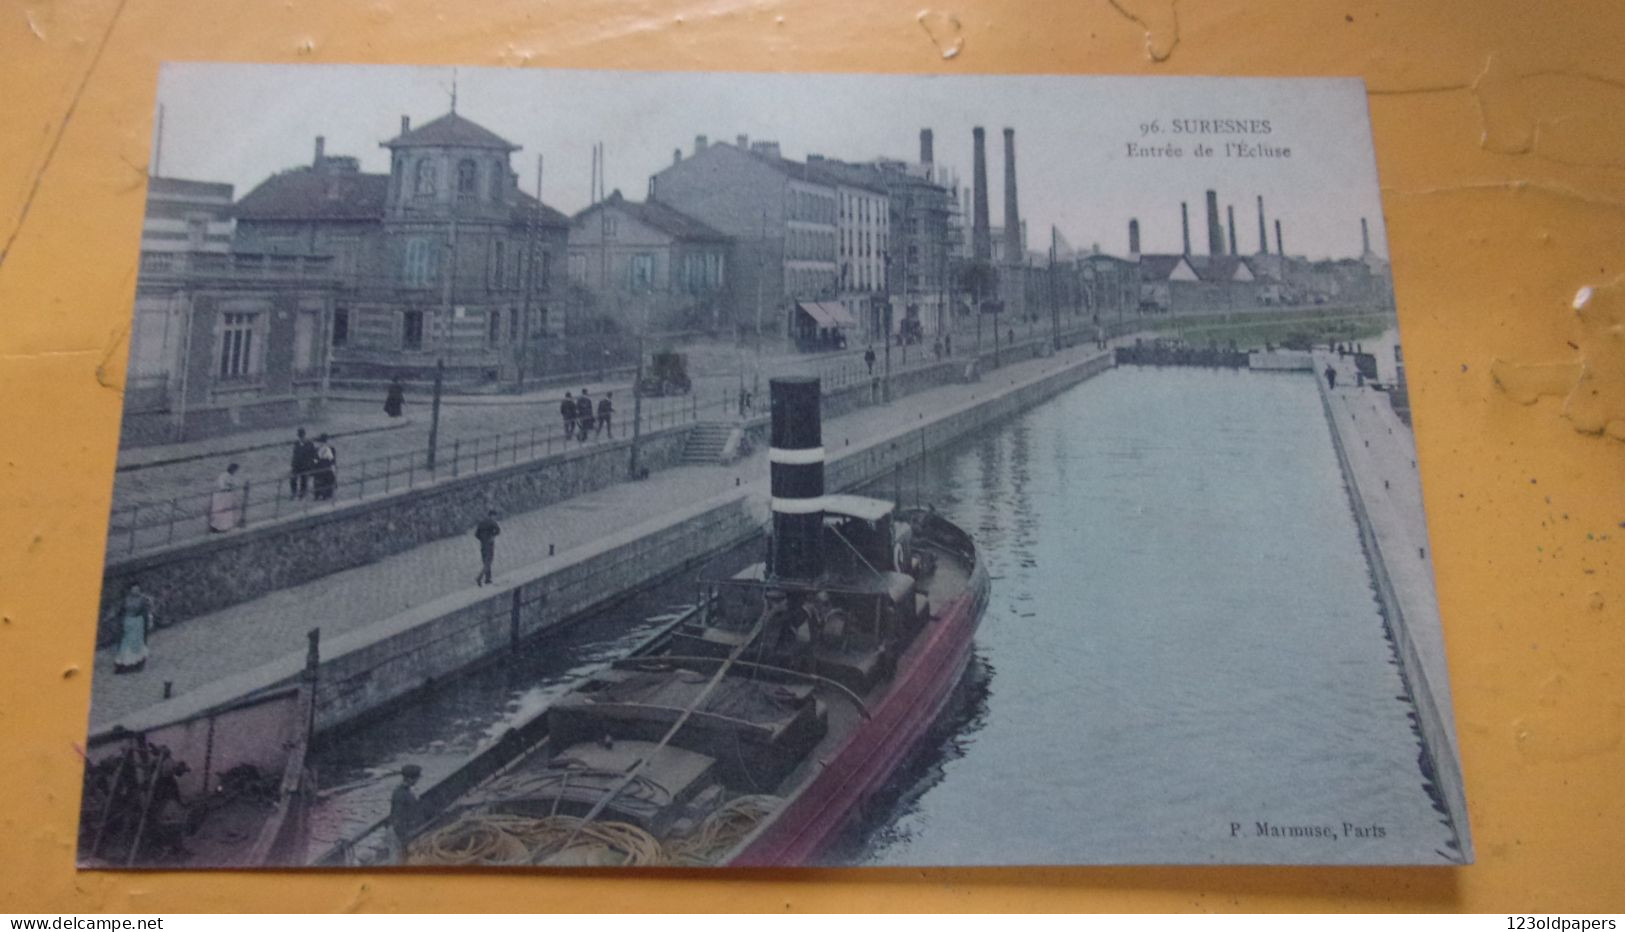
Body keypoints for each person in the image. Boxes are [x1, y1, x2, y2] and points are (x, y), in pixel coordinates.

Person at [108, 583, 157, 674]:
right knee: (125, 644)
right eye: (134, 589)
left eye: (137, 589)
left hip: (138, 623)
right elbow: (119, 610)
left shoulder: (143, 599)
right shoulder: (126, 599)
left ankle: (137, 663)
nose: (136, 591)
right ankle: (123, 664)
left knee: (136, 644)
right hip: (128, 622)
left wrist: (148, 618)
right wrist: (113, 616)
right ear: (130, 590)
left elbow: (150, 609)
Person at [388, 764, 424, 864]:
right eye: (416, 778)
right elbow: (397, 817)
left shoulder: (405, 791)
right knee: (396, 860)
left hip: (403, 829)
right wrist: (403, 836)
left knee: (403, 857)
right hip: (398, 832)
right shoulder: (400, 794)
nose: (417, 781)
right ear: (409, 778)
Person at [208, 463, 243, 532]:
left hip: (228, 497)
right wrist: (230, 487)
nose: (235, 471)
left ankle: (225, 527)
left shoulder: (231, 476)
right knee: (221, 512)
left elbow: (235, 486)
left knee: (227, 512)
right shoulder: (223, 476)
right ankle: (216, 528)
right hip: (222, 496)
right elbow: (222, 486)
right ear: (231, 469)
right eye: (235, 470)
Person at [473, 510, 501, 586]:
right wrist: (492, 536)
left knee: (485, 561)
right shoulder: (492, 522)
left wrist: (482, 539)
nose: (495, 518)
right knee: (489, 562)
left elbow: (476, 534)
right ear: (492, 515)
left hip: (483, 545)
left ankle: (488, 579)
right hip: (489, 544)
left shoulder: (481, 523)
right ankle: (479, 577)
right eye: (495, 516)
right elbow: (498, 531)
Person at [289, 428, 317, 500]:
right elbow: (294, 455)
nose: (301, 437)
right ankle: (294, 493)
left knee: (303, 480)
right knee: (293, 479)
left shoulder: (309, 444)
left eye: (301, 436)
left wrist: (311, 465)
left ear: (304, 435)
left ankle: (302, 494)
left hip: (305, 465)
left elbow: (313, 455)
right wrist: (292, 464)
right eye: (300, 436)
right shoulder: (297, 444)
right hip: (296, 465)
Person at [312, 434, 337, 501]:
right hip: (323, 467)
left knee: (324, 481)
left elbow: (315, 459)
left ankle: (323, 494)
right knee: (322, 481)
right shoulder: (328, 449)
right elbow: (332, 460)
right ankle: (321, 494)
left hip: (324, 467)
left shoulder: (328, 449)